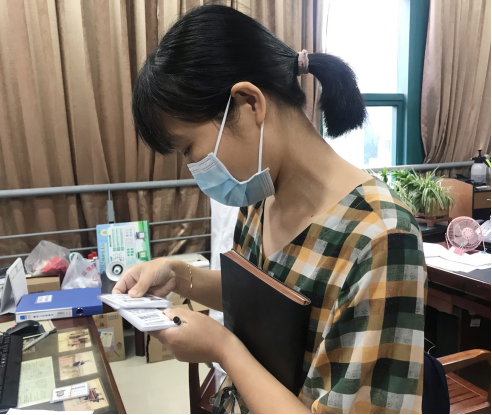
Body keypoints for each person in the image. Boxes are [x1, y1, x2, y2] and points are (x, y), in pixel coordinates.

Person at [114, 5, 426, 414]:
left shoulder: (381, 238)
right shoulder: (261, 196)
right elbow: (260, 300)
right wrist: (178, 276)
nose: (194, 169)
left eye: (189, 149)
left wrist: (224, 349)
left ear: (249, 103)